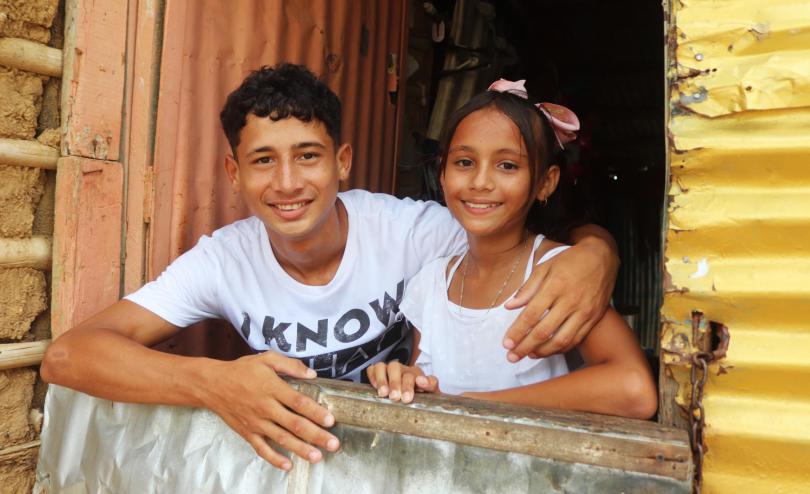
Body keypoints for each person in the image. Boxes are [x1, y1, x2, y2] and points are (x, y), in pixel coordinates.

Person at [41, 65, 621, 472]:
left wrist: (598, 253)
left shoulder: (417, 231)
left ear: (343, 161)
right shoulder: (223, 259)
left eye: (308, 156)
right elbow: (68, 356)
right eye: (263, 160)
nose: (288, 183)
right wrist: (212, 383)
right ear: (232, 172)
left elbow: (519, 232)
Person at [367, 79, 657, 419]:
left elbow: (633, 390)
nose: (481, 182)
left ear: (545, 182)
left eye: (507, 165)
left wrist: (480, 406)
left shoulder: (562, 272)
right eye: (464, 162)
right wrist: (405, 381)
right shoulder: (430, 282)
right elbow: (427, 385)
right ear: (442, 173)